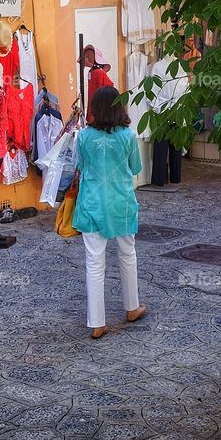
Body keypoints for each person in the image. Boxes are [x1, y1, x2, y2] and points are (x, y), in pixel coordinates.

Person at [73, 86, 146, 339]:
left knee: (94, 262)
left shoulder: (83, 137)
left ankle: (97, 323)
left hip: (92, 204)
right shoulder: (128, 136)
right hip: (121, 204)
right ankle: (132, 307)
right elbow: (136, 167)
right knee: (128, 255)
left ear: (95, 109)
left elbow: (79, 165)